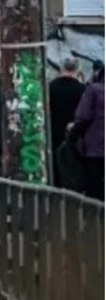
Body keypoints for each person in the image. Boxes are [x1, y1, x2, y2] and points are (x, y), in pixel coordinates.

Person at [48, 58, 88, 189]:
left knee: (56, 166)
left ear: (61, 68)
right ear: (77, 70)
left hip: (53, 133)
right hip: (75, 136)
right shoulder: (83, 89)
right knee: (74, 167)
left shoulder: (50, 87)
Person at [68, 62, 104, 200]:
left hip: (95, 147)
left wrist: (73, 136)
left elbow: (84, 117)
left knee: (95, 186)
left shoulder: (94, 91)